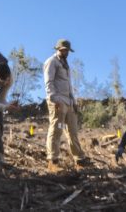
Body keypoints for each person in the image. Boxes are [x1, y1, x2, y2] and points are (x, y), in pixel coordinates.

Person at [43, 39, 87, 171]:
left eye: (67, 50)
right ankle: (53, 160)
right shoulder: (51, 62)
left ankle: (79, 159)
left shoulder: (66, 65)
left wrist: (74, 102)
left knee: (73, 131)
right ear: (58, 49)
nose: (66, 52)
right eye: (63, 50)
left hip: (68, 102)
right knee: (56, 129)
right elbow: (48, 82)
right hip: (58, 101)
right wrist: (53, 99)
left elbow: (69, 86)